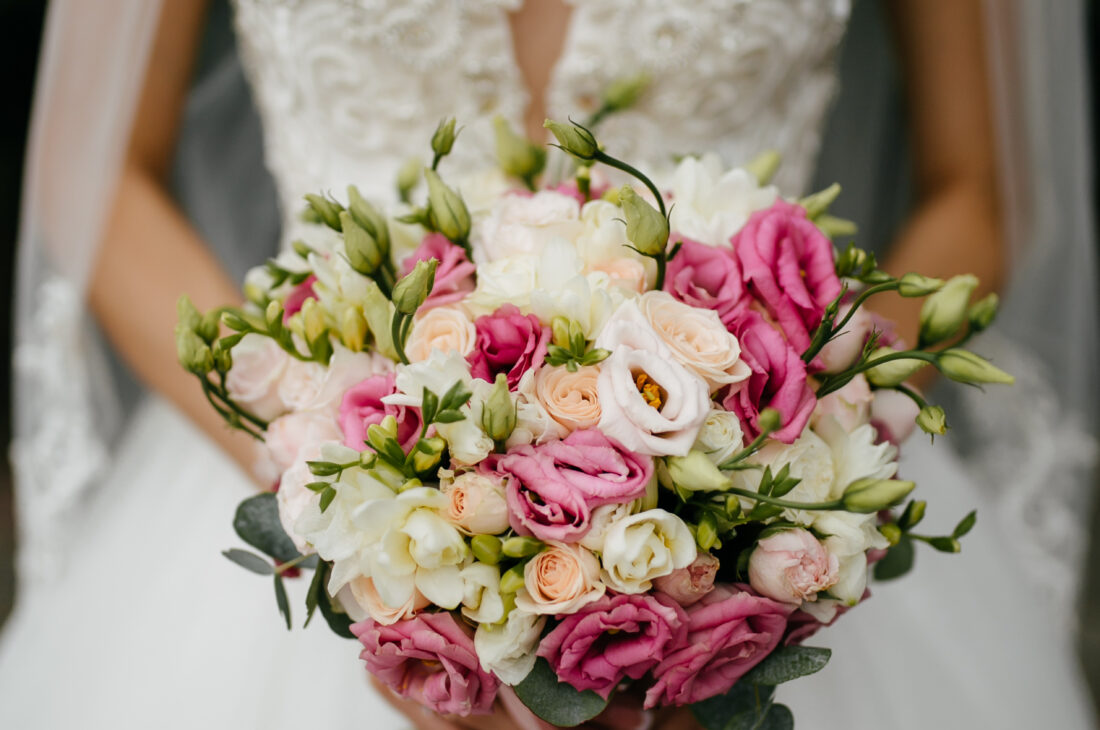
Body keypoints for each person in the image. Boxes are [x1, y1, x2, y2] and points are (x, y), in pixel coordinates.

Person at [1, 1, 1096, 728]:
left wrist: (786, 485)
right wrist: (345, 512)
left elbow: (977, 188)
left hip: (751, 513)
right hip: (302, 483)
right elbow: (94, 172)